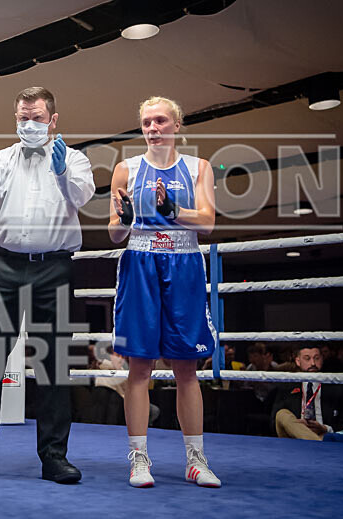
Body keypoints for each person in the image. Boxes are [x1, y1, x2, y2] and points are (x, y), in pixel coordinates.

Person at [0, 87, 95, 484]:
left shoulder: (74, 158)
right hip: (3, 266)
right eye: (23, 118)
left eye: (37, 117)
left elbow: (83, 195)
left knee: (53, 364)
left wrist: (62, 171)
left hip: (55, 267)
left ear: (53, 120)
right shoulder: (0, 158)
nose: (29, 124)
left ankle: (54, 456)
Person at [108, 96, 220, 488]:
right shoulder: (125, 169)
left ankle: (196, 459)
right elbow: (114, 232)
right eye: (146, 123)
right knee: (138, 366)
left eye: (160, 121)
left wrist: (175, 211)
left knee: (186, 367)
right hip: (140, 262)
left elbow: (206, 222)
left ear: (176, 125)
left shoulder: (198, 168)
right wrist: (122, 220)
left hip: (184, 261)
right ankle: (139, 459)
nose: (153, 128)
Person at [271, 345, 343, 440]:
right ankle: (314, 441)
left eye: (317, 358)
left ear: (322, 359)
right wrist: (296, 425)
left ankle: (314, 441)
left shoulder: (337, 388)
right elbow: (274, 422)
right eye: (307, 359)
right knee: (282, 414)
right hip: (294, 439)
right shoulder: (287, 387)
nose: (313, 363)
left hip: (325, 437)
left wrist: (325, 428)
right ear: (298, 361)